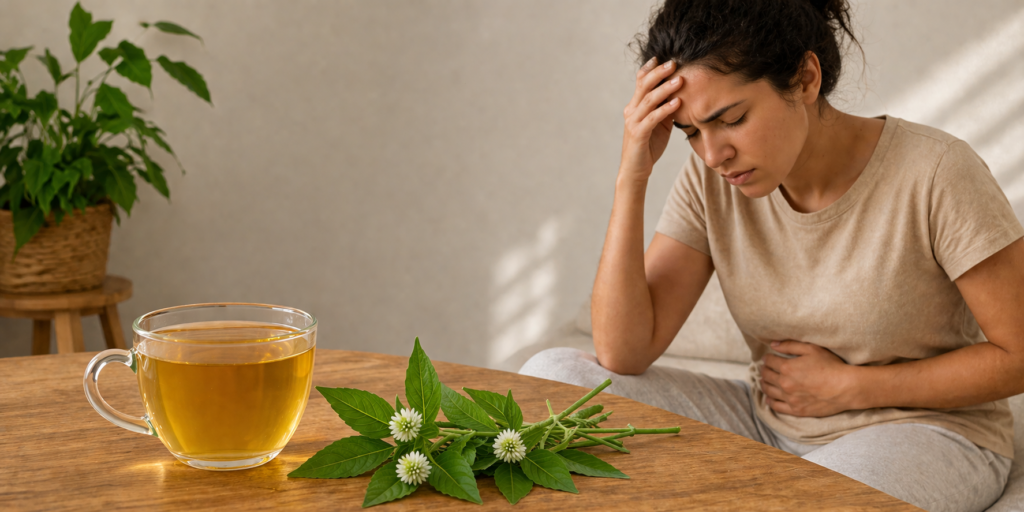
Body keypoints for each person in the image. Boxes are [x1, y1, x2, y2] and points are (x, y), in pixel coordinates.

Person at [518, 0, 1024, 510]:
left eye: (731, 119)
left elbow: (1019, 354)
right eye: (691, 132)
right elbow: (624, 353)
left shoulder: (936, 172)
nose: (713, 155)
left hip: (926, 432)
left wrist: (854, 387)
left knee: (800, 500)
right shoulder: (710, 182)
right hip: (765, 425)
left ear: (805, 79)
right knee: (553, 379)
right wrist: (633, 175)